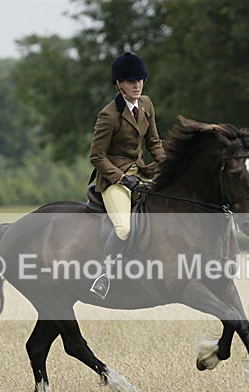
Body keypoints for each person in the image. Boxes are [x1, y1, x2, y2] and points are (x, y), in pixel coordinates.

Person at [88, 51, 165, 299]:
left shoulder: (147, 104)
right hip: (115, 181)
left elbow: (154, 143)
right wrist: (121, 178)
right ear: (119, 84)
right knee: (123, 228)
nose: (137, 85)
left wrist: (168, 165)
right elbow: (96, 156)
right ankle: (104, 276)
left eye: (140, 80)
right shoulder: (108, 115)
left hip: (141, 174)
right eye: (131, 81)